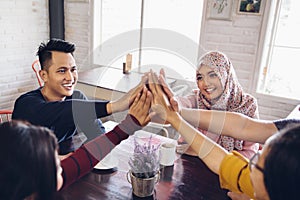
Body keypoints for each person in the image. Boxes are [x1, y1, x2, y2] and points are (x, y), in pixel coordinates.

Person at [148, 70, 300, 200]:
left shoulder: (258, 181)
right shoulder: (255, 179)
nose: (248, 166)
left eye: (255, 164)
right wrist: (175, 116)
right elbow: (225, 158)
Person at [0, 85, 152, 200]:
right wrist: (115, 107)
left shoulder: (37, 182)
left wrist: (128, 126)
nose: (64, 161)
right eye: (55, 162)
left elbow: (84, 158)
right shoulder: (28, 103)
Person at [12, 39, 145, 155]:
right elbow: (62, 111)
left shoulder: (76, 98)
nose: (70, 78)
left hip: (60, 170)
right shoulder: (26, 104)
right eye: (62, 71)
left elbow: (97, 133)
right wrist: (114, 106)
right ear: (44, 75)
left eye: (73, 69)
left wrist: (77, 158)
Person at [162, 51, 259, 158]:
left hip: (229, 170)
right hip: (191, 163)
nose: (206, 83)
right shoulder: (197, 97)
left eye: (212, 75)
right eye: (200, 77)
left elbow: (250, 153)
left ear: (225, 75)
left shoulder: (247, 104)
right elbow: (182, 104)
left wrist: (204, 152)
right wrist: (171, 100)